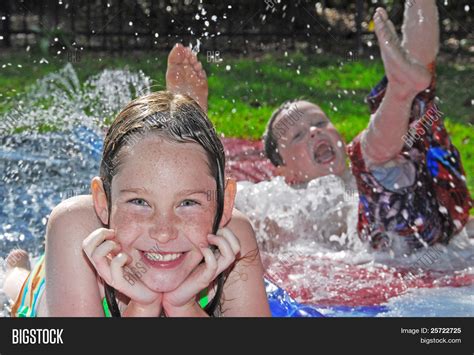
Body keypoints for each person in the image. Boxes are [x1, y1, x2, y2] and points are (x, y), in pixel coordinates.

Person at [3, 45, 270, 317]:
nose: (163, 232)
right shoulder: (74, 228)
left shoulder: (236, 238)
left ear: (225, 205)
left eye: (188, 202)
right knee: (15, 284)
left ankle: (182, 124)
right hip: (50, 289)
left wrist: (182, 306)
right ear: (102, 203)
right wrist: (143, 306)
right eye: (140, 202)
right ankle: (18, 269)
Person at [262, 2, 472, 250]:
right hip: (403, 236)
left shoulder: (361, 170)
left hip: (441, 208)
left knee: (415, 102)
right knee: (369, 153)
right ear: (285, 172)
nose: (314, 131)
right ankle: (402, 88)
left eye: (320, 122)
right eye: (297, 135)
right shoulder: (288, 205)